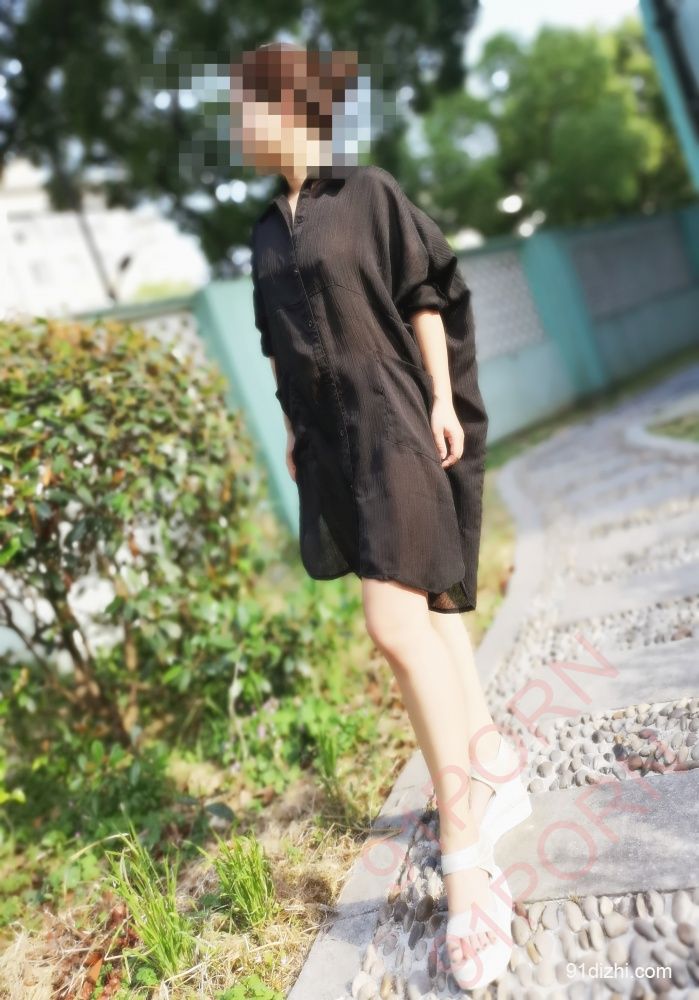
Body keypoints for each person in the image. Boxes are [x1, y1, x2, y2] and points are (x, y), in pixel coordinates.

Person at [231, 41, 532, 991]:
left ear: (290, 110)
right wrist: (291, 428)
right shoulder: (262, 234)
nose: (235, 126)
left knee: (393, 621)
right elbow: (277, 342)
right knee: (426, 611)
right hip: (331, 448)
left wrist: (441, 397)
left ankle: (466, 857)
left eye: (244, 108)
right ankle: (487, 762)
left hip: (396, 422)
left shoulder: (366, 192)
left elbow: (420, 293)